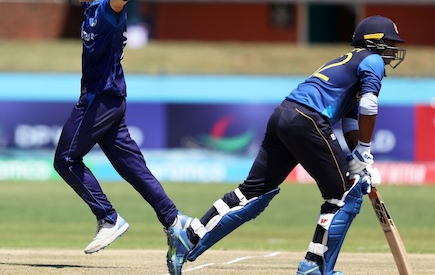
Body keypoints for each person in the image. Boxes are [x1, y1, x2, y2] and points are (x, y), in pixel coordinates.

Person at [166, 15, 407, 275]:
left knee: (253, 193)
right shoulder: (372, 60)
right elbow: (369, 105)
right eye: (391, 44)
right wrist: (364, 152)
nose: (394, 52)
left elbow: (350, 122)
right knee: (345, 193)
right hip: (308, 119)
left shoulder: (347, 64)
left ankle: (188, 237)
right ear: (375, 42)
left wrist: (360, 158)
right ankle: (315, 266)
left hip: (284, 114)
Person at [51, 0, 191, 272]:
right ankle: (175, 221)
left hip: (99, 101)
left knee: (66, 160)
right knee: (133, 169)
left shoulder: (107, 5)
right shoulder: (90, 5)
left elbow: (117, 2)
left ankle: (108, 218)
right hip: (111, 100)